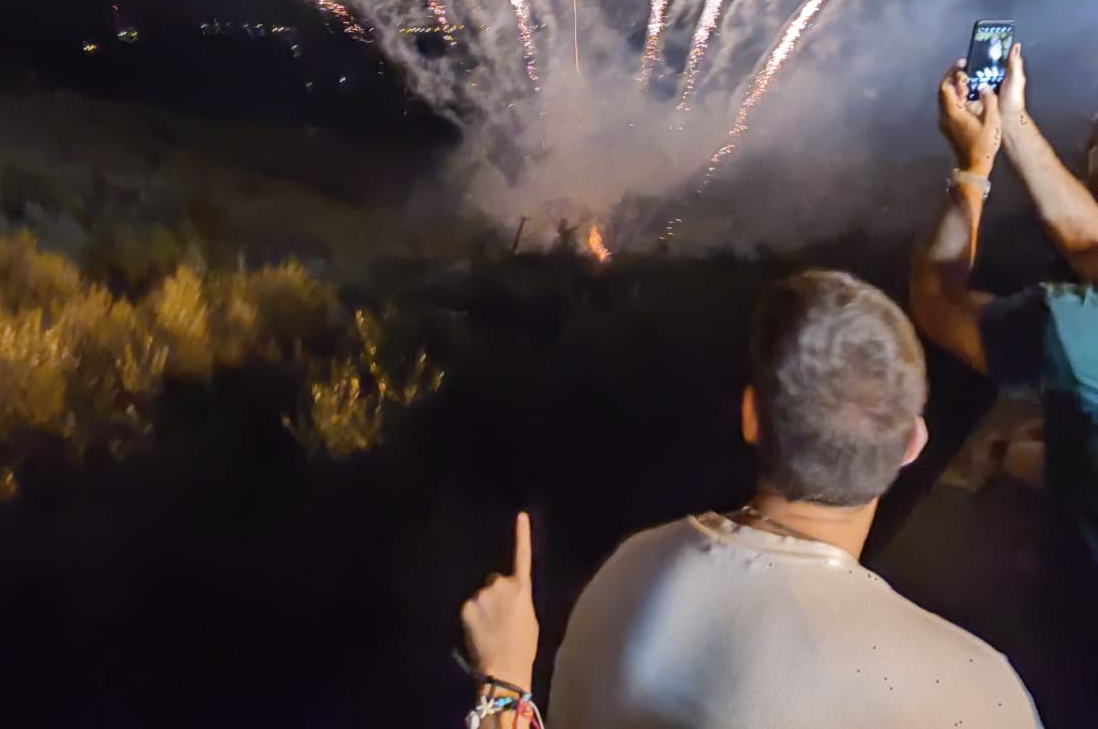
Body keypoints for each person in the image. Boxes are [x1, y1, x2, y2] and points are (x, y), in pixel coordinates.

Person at [461, 269, 1040, 728]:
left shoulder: (629, 575)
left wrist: (504, 687)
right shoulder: (979, 693)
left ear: (750, 416)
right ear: (913, 443)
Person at [910, 43, 1098, 562]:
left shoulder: (1073, 329)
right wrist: (1009, 121)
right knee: (1036, 440)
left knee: (1017, 453)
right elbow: (1089, 245)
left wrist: (974, 166)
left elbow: (936, 300)